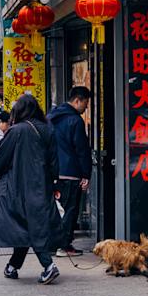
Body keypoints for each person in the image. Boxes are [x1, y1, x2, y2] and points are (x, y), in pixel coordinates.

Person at [0, 93, 62, 285]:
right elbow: (53, 160)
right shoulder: (47, 129)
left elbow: (1, 157)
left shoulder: (16, 130)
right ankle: (12, 266)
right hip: (42, 185)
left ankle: (48, 265)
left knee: (26, 225)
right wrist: (54, 184)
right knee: (30, 225)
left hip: (19, 186)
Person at [48, 86, 93, 256]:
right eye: (86, 103)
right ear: (77, 100)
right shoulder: (75, 121)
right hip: (71, 172)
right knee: (69, 210)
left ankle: (53, 244)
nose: (86, 107)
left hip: (54, 172)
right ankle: (64, 245)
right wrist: (86, 174)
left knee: (57, 209)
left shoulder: (51, 117)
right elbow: (82, 150)